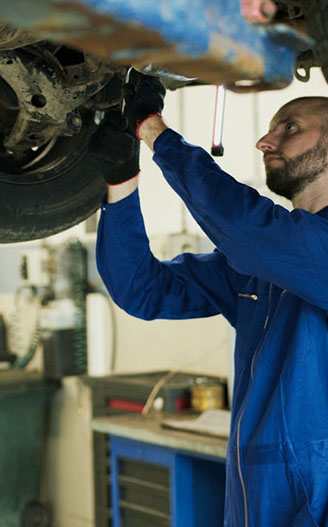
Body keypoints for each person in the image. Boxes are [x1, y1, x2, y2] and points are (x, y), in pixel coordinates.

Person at [89, 72, 328, 527]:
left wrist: (155, 131)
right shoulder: (260, 264)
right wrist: (121, 183)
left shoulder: (289, 248)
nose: (265, 140)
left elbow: (247, 226)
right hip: (251, 500)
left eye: (290, 128)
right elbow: (143, 289)